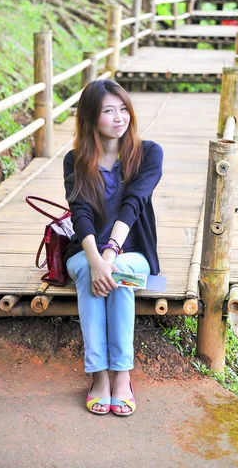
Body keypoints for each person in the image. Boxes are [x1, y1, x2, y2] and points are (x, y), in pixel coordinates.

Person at [63, 79, 163, 416]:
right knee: (94, 275)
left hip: (132, 253)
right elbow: (80, 214)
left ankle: (121, 376)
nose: (119, 117)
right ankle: (99, 377)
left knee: (116, 274)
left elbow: (133, 204)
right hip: (84, 253)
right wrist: (95, 260)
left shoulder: (148, 153)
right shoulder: (74, 160)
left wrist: (109, 256)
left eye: (123, 109)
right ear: (91, 117)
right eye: (108, 111)